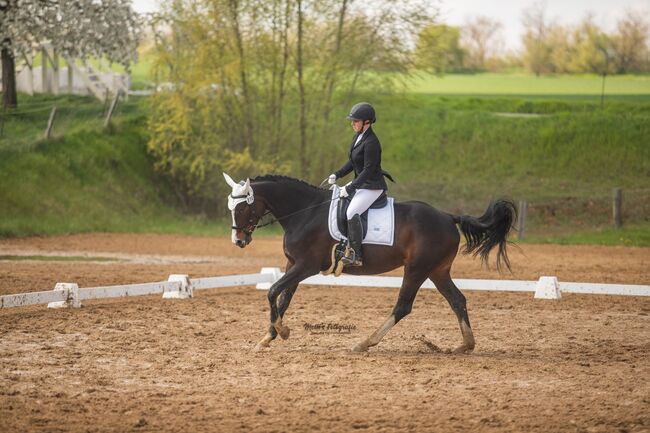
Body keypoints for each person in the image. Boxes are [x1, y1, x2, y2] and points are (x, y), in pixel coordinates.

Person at [328, 102, 392, 267]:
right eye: (352, 120)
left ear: (367, 122)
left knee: (351, 212)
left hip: (372, 186)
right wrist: (337, 174)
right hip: (363, 183)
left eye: (355, 121)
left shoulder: (372, 142)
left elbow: (369, 170)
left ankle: (356, 255)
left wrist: (350, 187)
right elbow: (353, 162)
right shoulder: (358, 137)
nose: (352, 123)